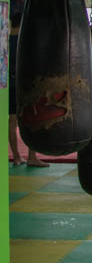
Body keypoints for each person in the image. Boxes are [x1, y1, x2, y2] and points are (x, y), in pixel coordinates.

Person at [8, 13, 49, 168]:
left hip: (9, 83)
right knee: (32, 119)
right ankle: (32, 157)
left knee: (12, 121)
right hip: (25, 84)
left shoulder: (5, 40)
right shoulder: (25, 40)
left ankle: (17, 157)